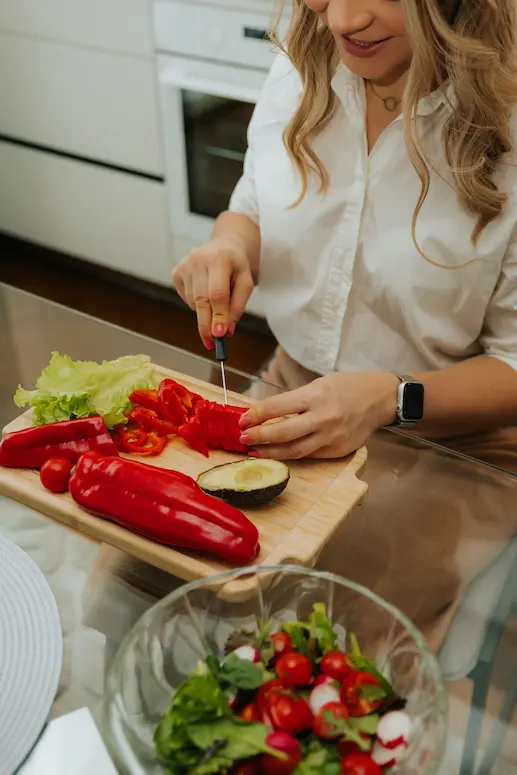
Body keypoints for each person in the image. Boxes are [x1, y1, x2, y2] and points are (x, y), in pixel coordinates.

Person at [173, 0, 517, 468]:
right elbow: (251, 208)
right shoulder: (301, 67)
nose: (341, 20)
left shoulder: (507, 129)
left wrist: (387, 397)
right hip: (289, 388)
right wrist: (230, 245)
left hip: (449, 441)